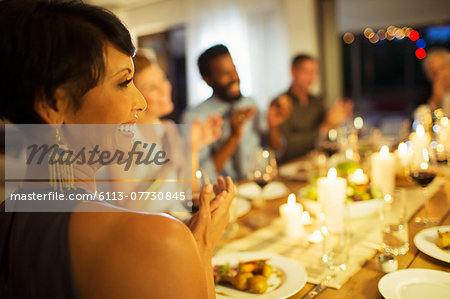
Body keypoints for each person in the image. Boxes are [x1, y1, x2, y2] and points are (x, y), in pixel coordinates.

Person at [0, 1, 234, 298]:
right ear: (53, 103)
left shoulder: (9, 215)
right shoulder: (159, 240)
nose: (142, 102)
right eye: (124, 82)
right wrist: (200, 246)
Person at [98, 49, 223, 212]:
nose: (165, 89)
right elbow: (126, 208)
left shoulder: (168, 128)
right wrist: (166, 166)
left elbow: (189, 191)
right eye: (152, 88)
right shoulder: (123, 139)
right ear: (135, 96)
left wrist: (193, 149)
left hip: (176, 219)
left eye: (163, 79)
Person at [183, 44, 262, 182]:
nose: (234, 78)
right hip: (221, 193)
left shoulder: (250, 103)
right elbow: (200, 178)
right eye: (225, 73)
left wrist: (274, 125)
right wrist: (233, 137)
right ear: (208, 80)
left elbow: (271, 152)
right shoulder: (195, 118)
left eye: (234, 70)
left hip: (257, 184)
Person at [268, 54, 353, 164]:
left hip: (317, 165)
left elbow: (327, 139)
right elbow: (286, 147)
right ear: (293, 72)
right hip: (289, 167)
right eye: (306, 71)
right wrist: (324, 128)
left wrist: (339, 121)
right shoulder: (281, 104)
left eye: (314, 72)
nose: (311, 77)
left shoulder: (317, 102)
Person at [422, 47, 450, 116]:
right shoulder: (424, 96)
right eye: (434, 72)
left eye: (442, 68)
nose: (440, 75)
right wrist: (435, 100)